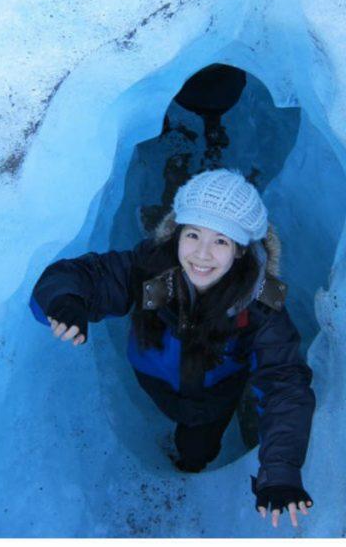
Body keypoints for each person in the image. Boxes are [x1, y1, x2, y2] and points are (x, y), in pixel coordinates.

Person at [30, 169, 314, 529]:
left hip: (215, 395)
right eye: (193, 234)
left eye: (221, 241)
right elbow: (90, 275)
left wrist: (281, 470)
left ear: (241, 250)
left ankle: (191, 461)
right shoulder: (152, 267)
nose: (202, 254)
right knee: (176, 418)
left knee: (197, 448)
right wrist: (67, 300)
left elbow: (284, 383)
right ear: (177, 233)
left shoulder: (260, 305)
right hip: (155, 381)